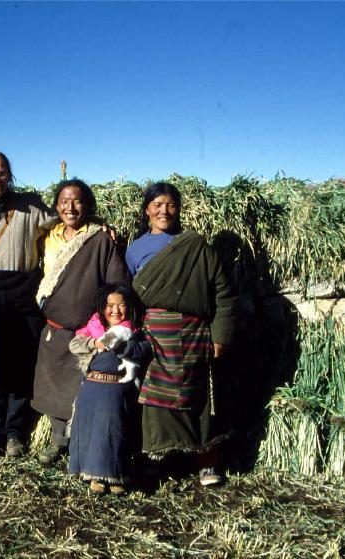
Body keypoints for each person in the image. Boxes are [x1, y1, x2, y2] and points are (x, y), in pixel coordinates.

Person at [125, 181, 236, 487]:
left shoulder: (196, 246)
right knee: (154, 398)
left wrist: (220, 336)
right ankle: (157, 459)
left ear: (179, 209)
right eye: (157, 205)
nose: (164, 211)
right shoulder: (135, 250)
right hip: (155, 334)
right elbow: (130, 296)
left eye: (171, 205)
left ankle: (206, 462)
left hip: (194, 333)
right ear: (147, 210)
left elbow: (223, 293)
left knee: (199, 398)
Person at [0, 151, 59, 457]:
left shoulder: (31, 207)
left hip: (23, 295)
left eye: (2, 173)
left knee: (19, 366)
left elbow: (66, 221)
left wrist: (99, 227)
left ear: (9, 176)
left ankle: (15, 434)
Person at [31, 179, 130, 466]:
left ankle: (82, 444)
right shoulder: (47, 237)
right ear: (56, 205)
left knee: (83, 390)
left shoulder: (100, 240)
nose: (70, 207)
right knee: (53, 388)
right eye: (64, 201)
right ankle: (58, 441)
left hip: (87, 332)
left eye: (77, 201)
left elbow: (115, 283)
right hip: (55, 328)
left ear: (87, 205)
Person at [68, 283, 149, 495]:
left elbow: (143, 350)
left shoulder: (135, 332)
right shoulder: (93, 329)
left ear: (129, 307)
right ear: (102, 308)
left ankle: (116, 476)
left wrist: (122, 345)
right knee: (93, 432)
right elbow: (74, 345)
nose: (115, 311)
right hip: (93, 390)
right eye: (110, 306)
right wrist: (95, 343)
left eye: (121, 305)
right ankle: (94, 476)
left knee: (116, 432)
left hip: (118, 391)